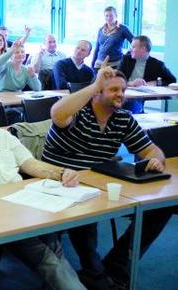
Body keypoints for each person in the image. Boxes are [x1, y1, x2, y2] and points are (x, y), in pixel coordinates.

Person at [0, 35, 86, 290]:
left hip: (23, 204)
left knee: (54, 246)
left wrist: (61, 172)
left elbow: (31, 164)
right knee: (47, 258)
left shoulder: (3, 135)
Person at [42, 66, 170, 289]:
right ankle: (95, 273)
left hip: (98, 182)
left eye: (123, 89)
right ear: (97, 92)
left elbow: (152, 150)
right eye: (113, 89)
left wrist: (156, 159)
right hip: (59, 183)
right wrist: (94, 84)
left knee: (160, 208)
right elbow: (57, 113)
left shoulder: (123, 119)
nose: (120, 94)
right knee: (84, 207)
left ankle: (116, 265)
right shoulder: (77, 114)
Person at [117, 35, 176, 113]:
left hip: (138, 98)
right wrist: (131, 83)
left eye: (133, 47)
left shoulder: (157, 64)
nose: (130, 49)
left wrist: (155, 82)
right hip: (123, 93)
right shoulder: (126, 59)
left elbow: (172, 80)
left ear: (143, 49)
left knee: (131, 107)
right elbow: (116, 78)